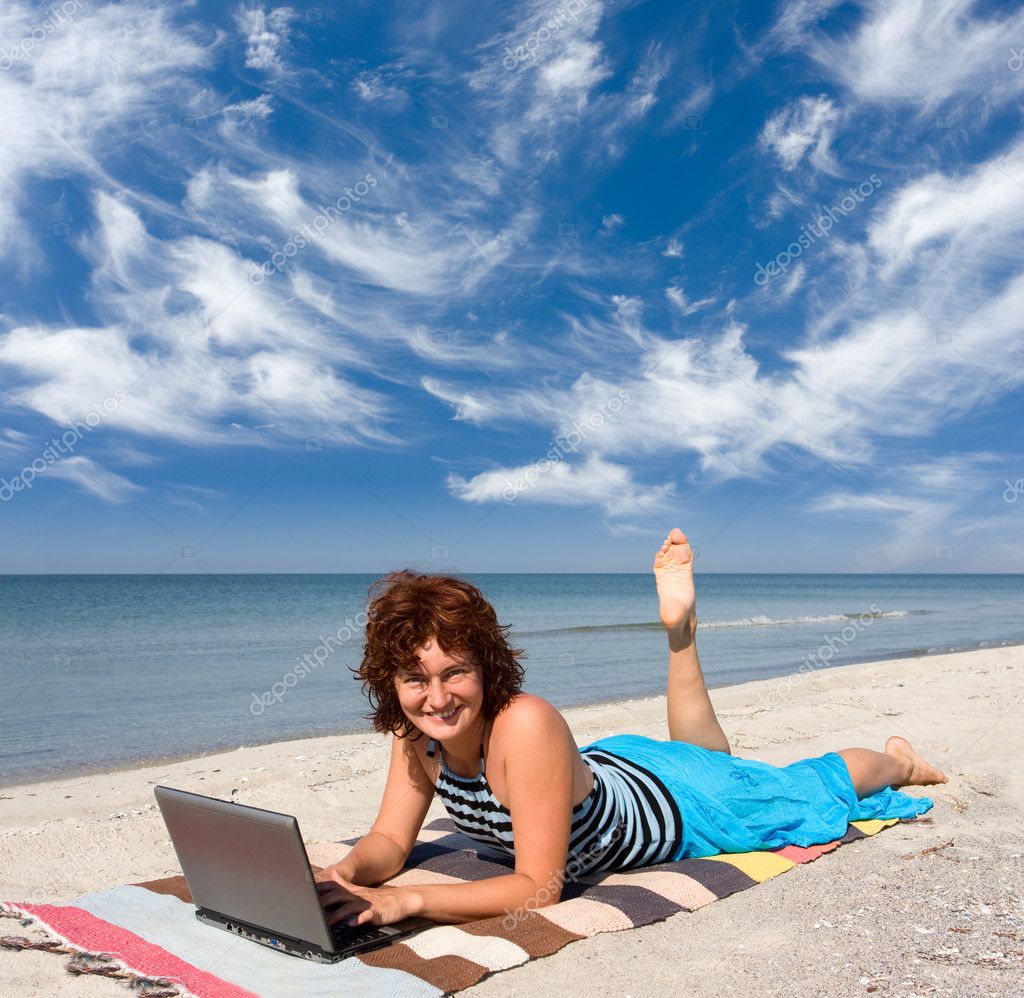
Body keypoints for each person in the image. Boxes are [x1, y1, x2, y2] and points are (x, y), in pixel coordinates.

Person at [316, 528, 946, 928]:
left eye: (455, 672)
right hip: (616, 772)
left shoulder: (524, 722)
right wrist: (343, 875)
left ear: (488, 665)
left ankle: (901, 761)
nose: (437, 697)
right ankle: (680, 633)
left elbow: (539, 889)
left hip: (679, 806)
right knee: (707, 753)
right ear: (389, 684)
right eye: (415, 680)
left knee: (808, 784)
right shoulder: (415, 735)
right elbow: (389, 844)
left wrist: (411, 901)